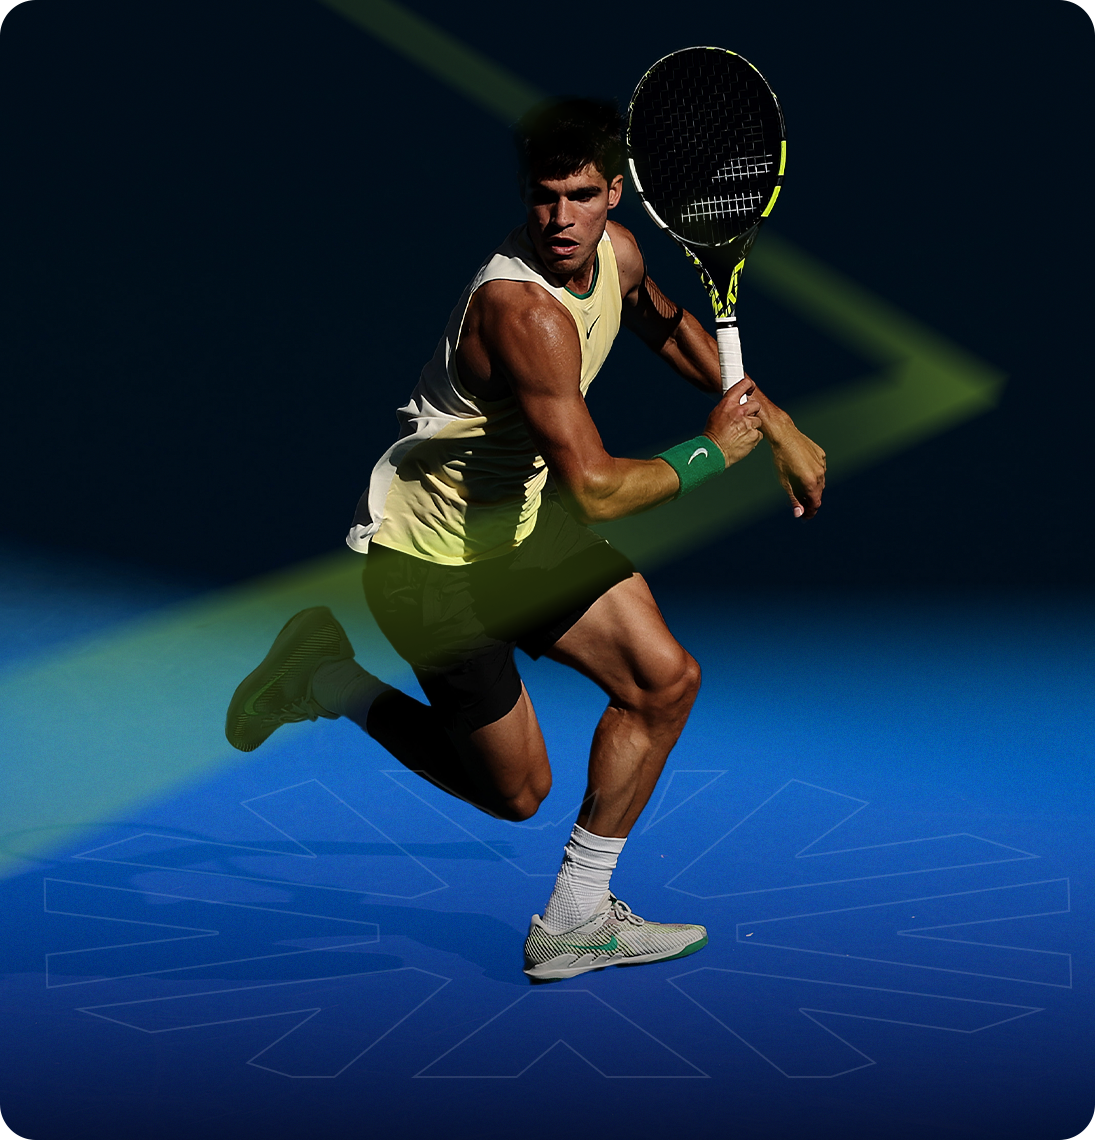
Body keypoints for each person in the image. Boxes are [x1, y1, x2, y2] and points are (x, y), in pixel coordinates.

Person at [225, 99, 825, 981]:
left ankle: (574, 920)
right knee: (515, 794)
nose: (560, 219)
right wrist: (714, 451)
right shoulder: (521, 312)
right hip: (430, 566)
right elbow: (597, 490)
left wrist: (776, 424)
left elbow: (663, 324)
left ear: (613, 193)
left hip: (519, 525)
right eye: (544, 197)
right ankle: (324, 676)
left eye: (580, 196)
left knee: (663, 681)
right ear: (524, 195)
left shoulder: (618, 253)